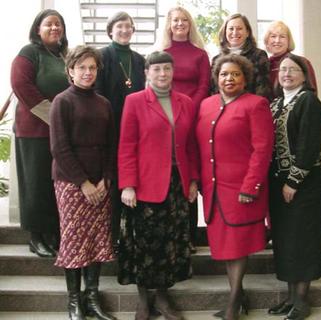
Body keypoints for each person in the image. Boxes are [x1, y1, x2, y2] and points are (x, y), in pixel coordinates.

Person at [117, 51, 199, 320]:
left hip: (177, 184)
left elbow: (190, 146)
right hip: (144, 184)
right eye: (157, 70)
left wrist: (192, 181)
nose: (163, 74)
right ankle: (143, 299)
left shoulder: (185, 102)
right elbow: (127, 146)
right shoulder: (134, 101)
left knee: (171, 242)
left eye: (167, 69)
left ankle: (163, 297)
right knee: (145, 243)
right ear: (147, 73)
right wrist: (127, 184)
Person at [196, 54, 274, 320]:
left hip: (242, 189)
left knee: (238, 247)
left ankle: (232, 303)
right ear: (216, 78)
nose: (228, 79)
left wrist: (251, 185)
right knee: (227, 248)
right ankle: (238, 298)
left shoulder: (256, 104)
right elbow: (199, 146)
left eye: (235, 74)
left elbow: (262, 150)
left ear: (245, 78)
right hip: (214, 191)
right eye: (224, 74)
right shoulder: (206, 105)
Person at [50, 45, 117, 320]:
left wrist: (106, 179)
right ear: (71, 71)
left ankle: (92, 298)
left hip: (101, 183)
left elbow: (111, 146)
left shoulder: (104, 103)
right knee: (75, 241)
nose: (87, 72)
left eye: (92, 68)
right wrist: (84, 183)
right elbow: (59, 147)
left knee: (98, 240)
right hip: (70, 181)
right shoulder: (62, 101)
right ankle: (74, 302)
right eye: (82, 68)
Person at [268, 54, 321, 320]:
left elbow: (308, 145)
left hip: (304, 184)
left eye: (293, 70)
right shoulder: (276, 103)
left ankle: (302, 301)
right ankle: (291, 298)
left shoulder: (309, 102)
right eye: (283, 70)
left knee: (303, 241)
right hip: (279, 184)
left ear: (305, 75)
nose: (287, 74)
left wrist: (293, 181)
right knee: (286, 242)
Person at [10, 9, 69, 258]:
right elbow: (21, 85)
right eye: (49, 24)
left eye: (59, 24)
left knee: (54, 184)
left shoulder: (64, 55)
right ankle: (36, 237)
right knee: (35, 184)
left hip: (61, 132)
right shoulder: (29, 53)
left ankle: (54, 233)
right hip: (34, 131)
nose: (55, 28)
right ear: (37, 29)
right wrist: (53, 117)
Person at [159, 6, 211, 253]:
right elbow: (158, 84)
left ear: (190, 25)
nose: (180, 24)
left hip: (192, 118)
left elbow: (204, 86)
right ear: (169, 25)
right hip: (166, 119)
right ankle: (171, 234)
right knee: (170, 174)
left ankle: (189, 235)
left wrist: (188, 110)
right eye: (175, 20)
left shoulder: (200, 54)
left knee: (189, 174)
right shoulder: (162, 53)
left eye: (184, 21)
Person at [95, 11, 146, 251]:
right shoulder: (101, 56)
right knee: (115, 183)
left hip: (136, 129)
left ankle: (133, 235)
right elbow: (97, 94)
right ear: (110, 30)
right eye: (120, 27)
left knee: (134, 180)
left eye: (129, 27)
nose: (125, 31)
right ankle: (112, 235)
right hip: (110, 127)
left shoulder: (139, 59)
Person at [212, 13, 272, 100]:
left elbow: (263, 88)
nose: (235, 32)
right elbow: (214, 90)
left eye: (239, 28)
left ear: (247, 32)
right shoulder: (216, 59)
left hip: (250, 107)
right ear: (225, 32)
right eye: (231, 29)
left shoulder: (259, 55)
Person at [264, 20, 317, 98]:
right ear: (267, 41)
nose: (277, 40)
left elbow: (311, 94)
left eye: (282, 36)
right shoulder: (264, 65)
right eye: (273, 36)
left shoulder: (301, 62)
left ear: (289, 41)